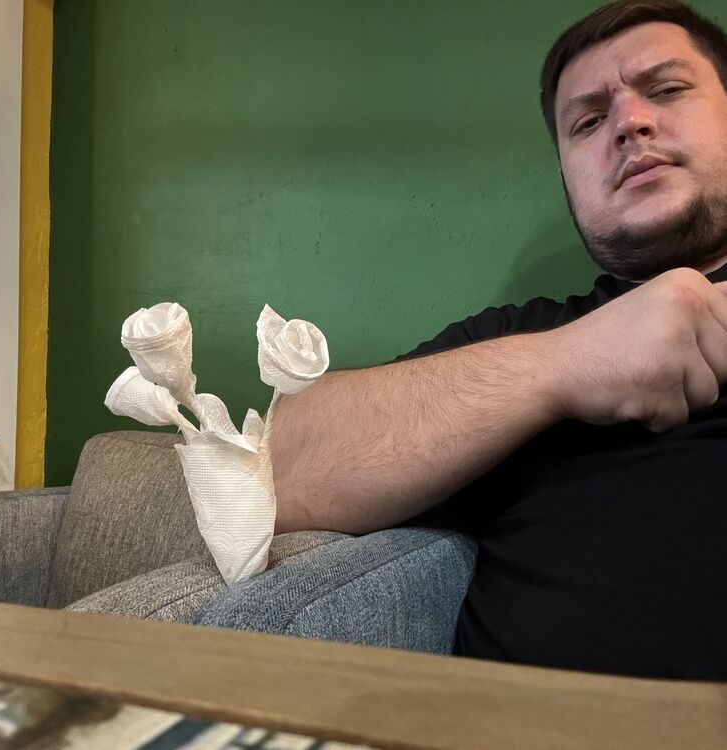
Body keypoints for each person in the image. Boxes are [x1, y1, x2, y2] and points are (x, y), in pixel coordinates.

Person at [269, 0, 727, 681]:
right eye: (587, 122)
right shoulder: (524, 337)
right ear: (568, 178)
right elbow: (277, 468)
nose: (630, 122)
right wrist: (566, 362)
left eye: (666, 90)